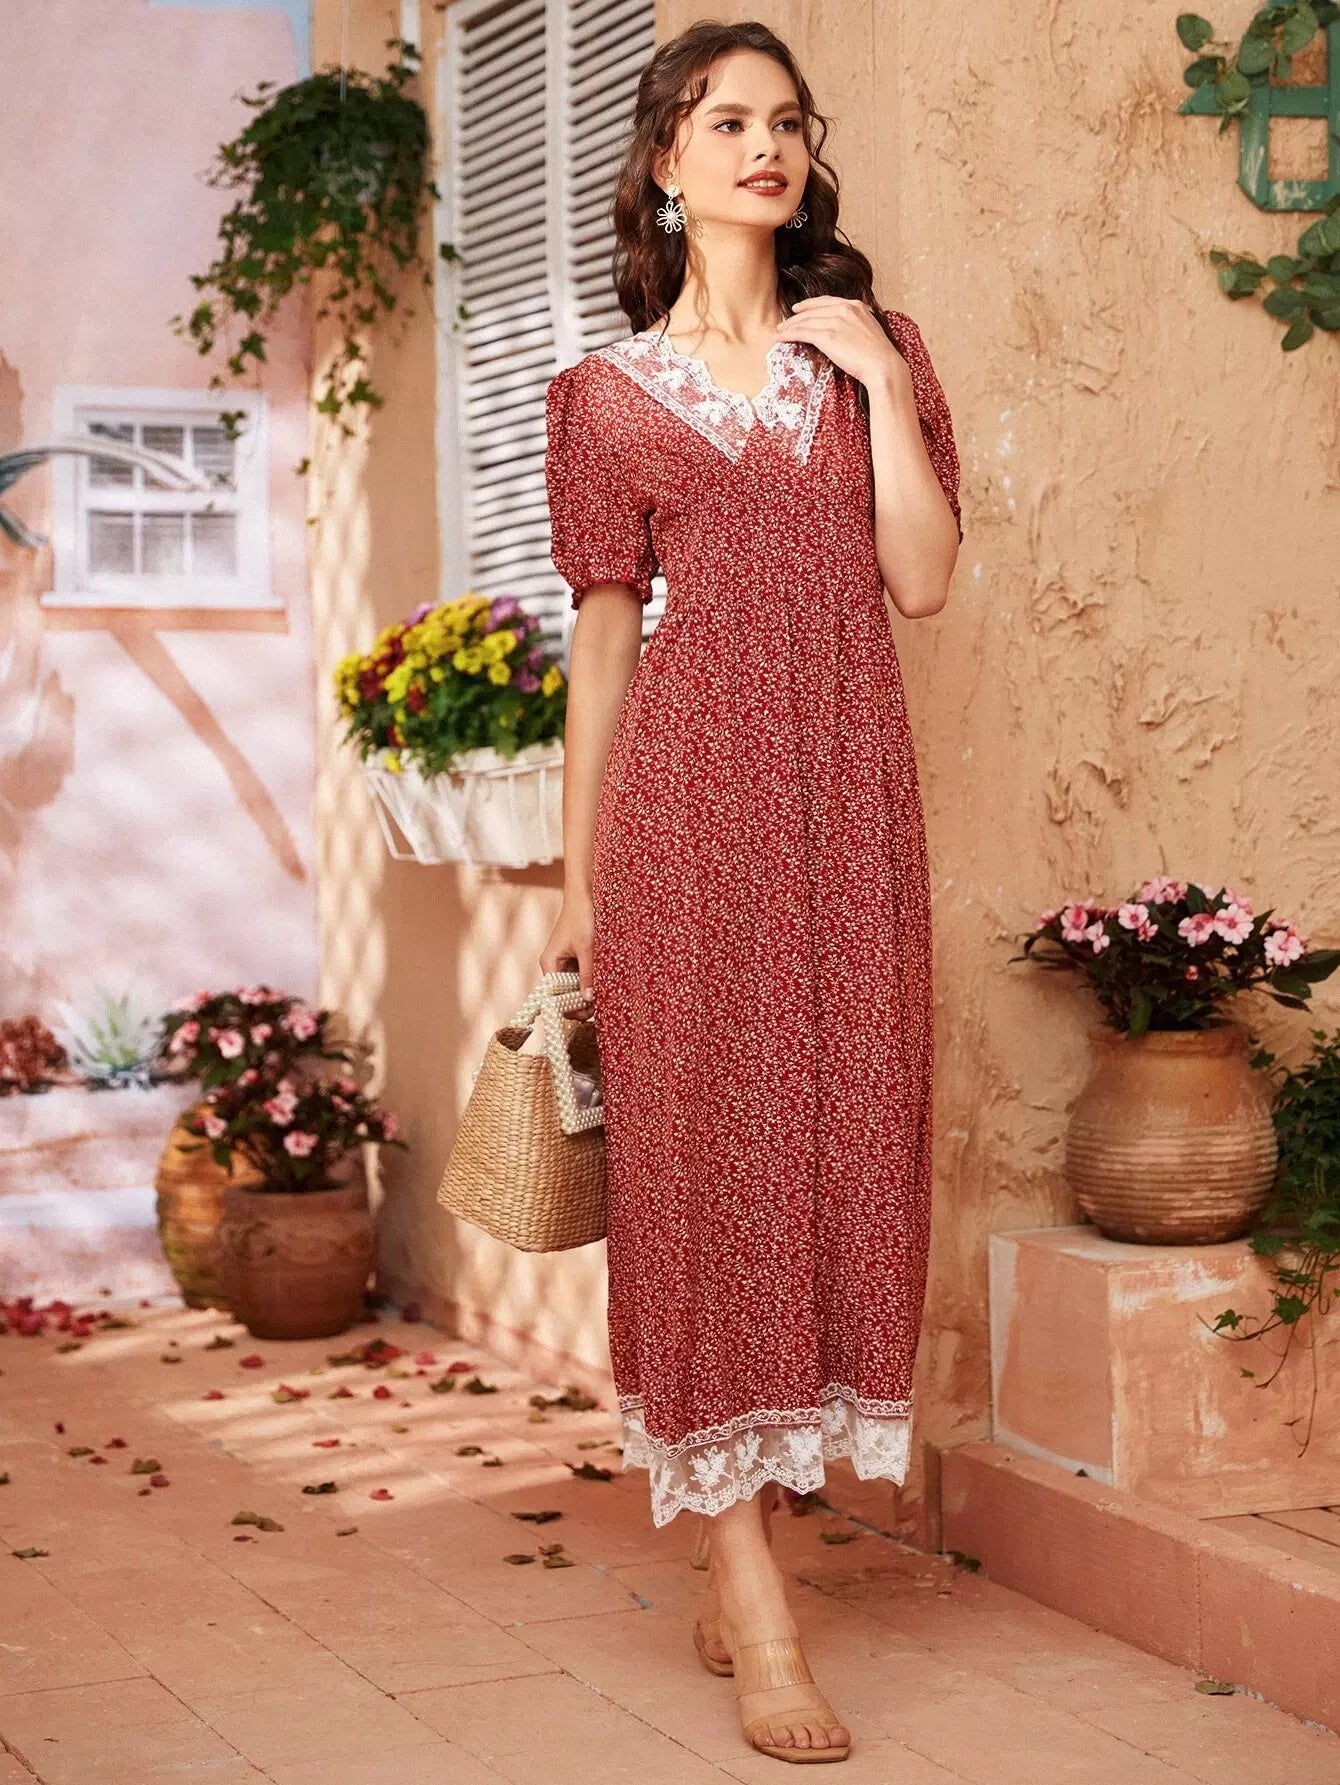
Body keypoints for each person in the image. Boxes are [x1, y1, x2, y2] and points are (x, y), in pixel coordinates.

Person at [540, 16, 961, 1767]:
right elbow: (601, 643)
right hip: (687, 827)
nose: (764, 147)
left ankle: (750, 1545)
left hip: (850, 813)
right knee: (708, 1177)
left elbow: (921, 581)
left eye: (785, 121)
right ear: (666, 160)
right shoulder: (602, 397)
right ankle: (757, 1601)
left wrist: (878, 384)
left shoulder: (877, 351)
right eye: (726, 122)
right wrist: (581, 873)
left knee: (838, 1156)